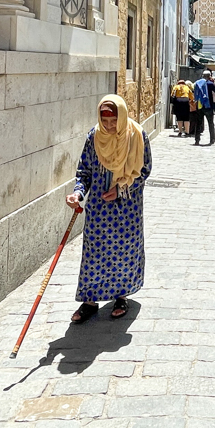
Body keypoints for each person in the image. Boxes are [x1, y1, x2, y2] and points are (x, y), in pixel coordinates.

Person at [64, 95, 152, 322]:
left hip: (127, 206)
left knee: (124, 249)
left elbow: (144, 170)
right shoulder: (94, 137)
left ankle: (121, 296)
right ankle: (90, 300)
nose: (110, 126)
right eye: (106, 121)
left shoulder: (136, 136)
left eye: (114, 121)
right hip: (99, 207)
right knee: (94, 251)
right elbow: (84, 172)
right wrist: (78, 193)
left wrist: (121, 189)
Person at [193, 73, 215, 145]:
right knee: (210, 123)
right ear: (209, 76)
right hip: (208, 106)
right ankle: (212, 139)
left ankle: (197, 140)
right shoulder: (210, 84)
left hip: (200, 105)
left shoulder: (198, 83)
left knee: (198, 123)